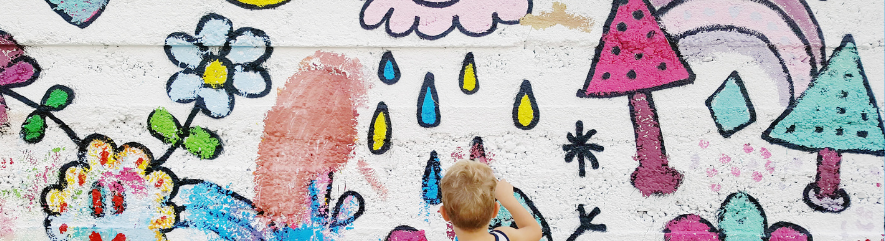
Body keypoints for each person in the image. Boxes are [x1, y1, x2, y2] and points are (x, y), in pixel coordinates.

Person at [439, 160, 542, 241]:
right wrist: (508, 199)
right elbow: (534, 231)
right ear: (495, 211)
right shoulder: (505, 237)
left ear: (444, 213)